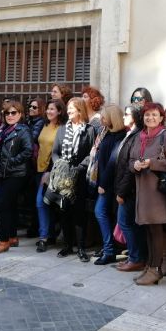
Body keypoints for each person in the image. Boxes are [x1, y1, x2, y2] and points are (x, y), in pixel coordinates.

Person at [129, 102, 166, 285]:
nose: (150, 118)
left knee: (156, 229)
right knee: (148, 229)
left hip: (158, 190)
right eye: (147, 114)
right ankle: (150, 267)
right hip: (142, 189)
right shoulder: (139, 136)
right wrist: (134, 165)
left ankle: (156, 269)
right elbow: (131, 159)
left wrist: (152, 163)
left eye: (154, 115)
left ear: (161, 117)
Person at [50, 97, 95, 261]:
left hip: (80, 176)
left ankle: (81, 248)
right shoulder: (62, 129)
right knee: (64, 211)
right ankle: (67, 246)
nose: (68, 111)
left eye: (72, 108)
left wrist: (78, 168)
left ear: (80, 110)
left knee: (79, 213)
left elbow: (92, 153)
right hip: (63, 178)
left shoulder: (89, 130)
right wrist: (60, 166)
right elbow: (55, 152)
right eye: (68, 108)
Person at [0, 101, 33, 254]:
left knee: (4, 204)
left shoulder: (23, 130)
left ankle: (4, 240)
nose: (10, 116)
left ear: (20, 114)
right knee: (9, 205)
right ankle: (12, 236)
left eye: (14, 113)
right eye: (8, 113)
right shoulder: (4, 130)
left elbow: (28, 151)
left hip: (17, 173)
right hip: (3, 172)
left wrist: (11, 162)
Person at [92, 104, 126, 265]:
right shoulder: (106, 132)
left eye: (104, 116)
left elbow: (113, 163)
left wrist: (103, 184)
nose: (101, 119)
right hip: (104, 182)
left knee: (100, 212)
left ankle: (110, 250)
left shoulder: (120, 136)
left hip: (111, 184)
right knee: (104, 213)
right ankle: (109, 248)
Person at [115, 105, 147, 272]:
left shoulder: (137, 136)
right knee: (129, 224)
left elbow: (130, 167)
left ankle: (136, 258)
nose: (123, 117)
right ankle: (135, 257)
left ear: (134, 117)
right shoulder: (130, 134)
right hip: (125, 188)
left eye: (126, 114)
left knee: (125, 223)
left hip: (129, 190)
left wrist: (122, 192)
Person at [35, 99, 66, 252]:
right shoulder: (44, 124)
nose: (48, 111)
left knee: (41, 202)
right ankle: (49, 234)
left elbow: (59, 152)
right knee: (45, 203)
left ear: (60, 111)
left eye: (52, 109)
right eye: (47, 109)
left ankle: (44, 238)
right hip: (38, 169)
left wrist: (49, 172)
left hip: (52, 171)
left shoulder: (63, 128)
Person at [24, 97, 46, 238]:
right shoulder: (29, 121)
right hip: (30, 165)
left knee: (36, 199)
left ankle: (36, 227)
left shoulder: (40, 122)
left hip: (36, 165)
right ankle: (33, 226)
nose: (31, 109)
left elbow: (31, 138)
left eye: (34, 107)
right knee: (30, 198)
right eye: (30, 106)